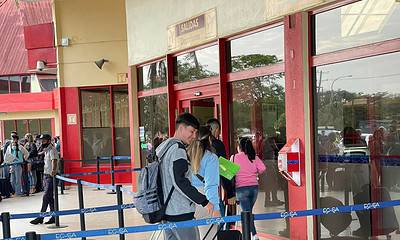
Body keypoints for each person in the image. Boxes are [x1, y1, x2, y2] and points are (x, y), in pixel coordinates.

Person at [157, 113, 213, 240]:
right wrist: (203, 201)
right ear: (181, 128)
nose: (194, 136)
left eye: (196, 133)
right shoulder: (178, 150)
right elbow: (180, 181)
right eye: (191, 131)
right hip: (180, 213)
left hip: (166, 212)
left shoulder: (163, 148)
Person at [188, 125, 220, 239]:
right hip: (204, 200)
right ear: (209, 139)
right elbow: (211, 185)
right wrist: (215, 208)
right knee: (208, 235)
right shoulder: (211, 158)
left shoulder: (185, 154)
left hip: (186, 197)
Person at [231, 137, 266, 240]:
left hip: (241, 189)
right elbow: (263, 168)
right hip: (254, 188)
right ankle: (250, 235)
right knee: (248, 212)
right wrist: (254, 173)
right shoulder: (253, 157)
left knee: (246, 213)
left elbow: (229, 173)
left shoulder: (234, 157)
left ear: (239, 147)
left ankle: (254, 235)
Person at [30, 134, 59, 225]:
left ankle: (41, 217)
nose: (42, 142)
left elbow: (54, 160)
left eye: (44, 140)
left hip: (51, 176)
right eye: (41, 140)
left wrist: (54, 170)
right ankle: (54, 216)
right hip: (46, 175)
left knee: (46, 196)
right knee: (50, 198)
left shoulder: (52, 149)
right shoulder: (46, 150)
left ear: (49, 141)